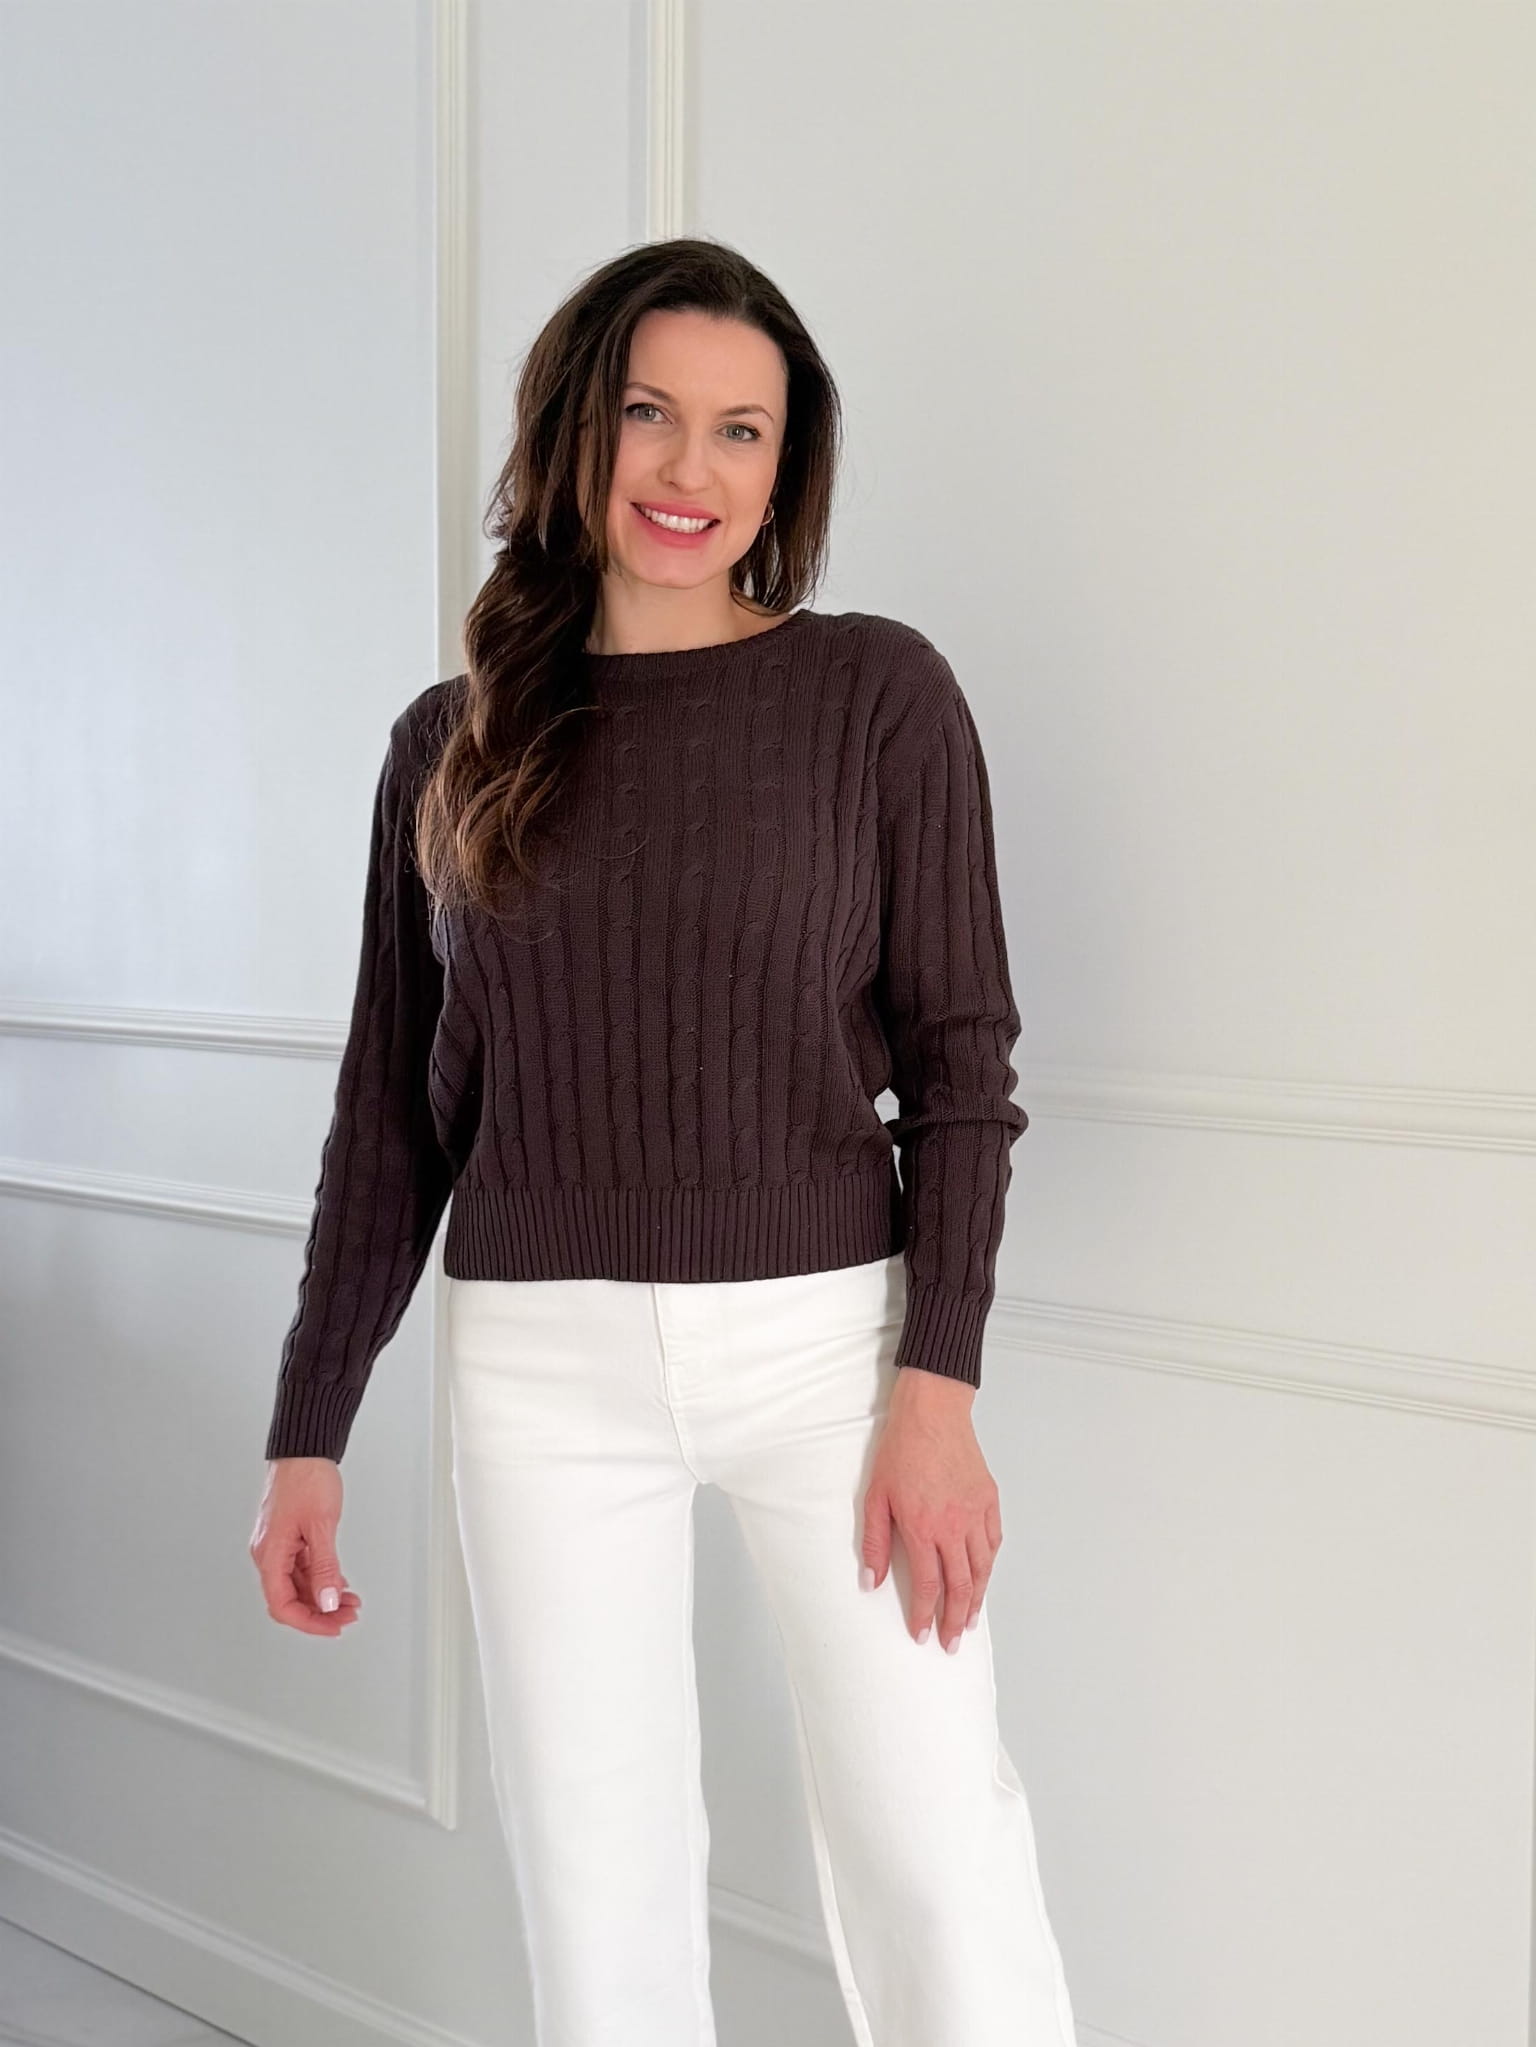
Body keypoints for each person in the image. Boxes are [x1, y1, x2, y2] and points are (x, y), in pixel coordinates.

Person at [250, 236, 1079, 2047]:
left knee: (936, 1853)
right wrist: (310, 1429)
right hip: (539, 1374)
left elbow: (964, 1069)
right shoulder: (450, 743)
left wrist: (938, 1392)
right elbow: (389, 1116)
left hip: (829, 1358)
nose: (689, 469)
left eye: (740, 430)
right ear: (576, 429)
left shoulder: (878, 696)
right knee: (598, 1895)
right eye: (649, 414)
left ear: (787, 467)